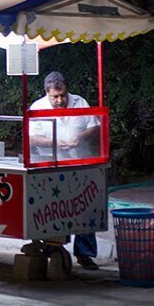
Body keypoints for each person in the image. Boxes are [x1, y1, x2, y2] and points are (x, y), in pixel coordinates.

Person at [29, 71, 101, 270]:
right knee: (51, 209)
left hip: (80, 163)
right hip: (49, 165)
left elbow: (95, 127)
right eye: (55, 97)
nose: (60, 100)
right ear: (47, 93)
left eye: (63, 96)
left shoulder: (80, 102)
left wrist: (79, 137)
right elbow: (32, 138)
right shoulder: (37, 107)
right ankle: (51, 248)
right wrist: (55, 141)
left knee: (85, 207)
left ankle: (85, 253)